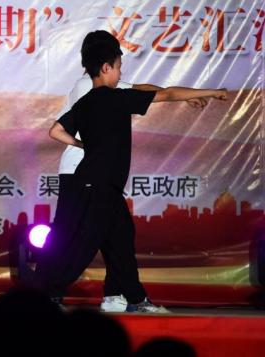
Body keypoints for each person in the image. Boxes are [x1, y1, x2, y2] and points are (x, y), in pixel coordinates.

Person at [35, 33, 227, 312]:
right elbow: (160, 93)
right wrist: (203, 92)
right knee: (80, 240)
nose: (121, 72)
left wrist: (84, 145)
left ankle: (126, 297)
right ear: (106, 66)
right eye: (118, 66)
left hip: (99, 179)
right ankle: (45, 296)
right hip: (87, 178)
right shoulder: (97, 91)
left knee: (120, 235)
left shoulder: (95, 93)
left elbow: (56, 129)